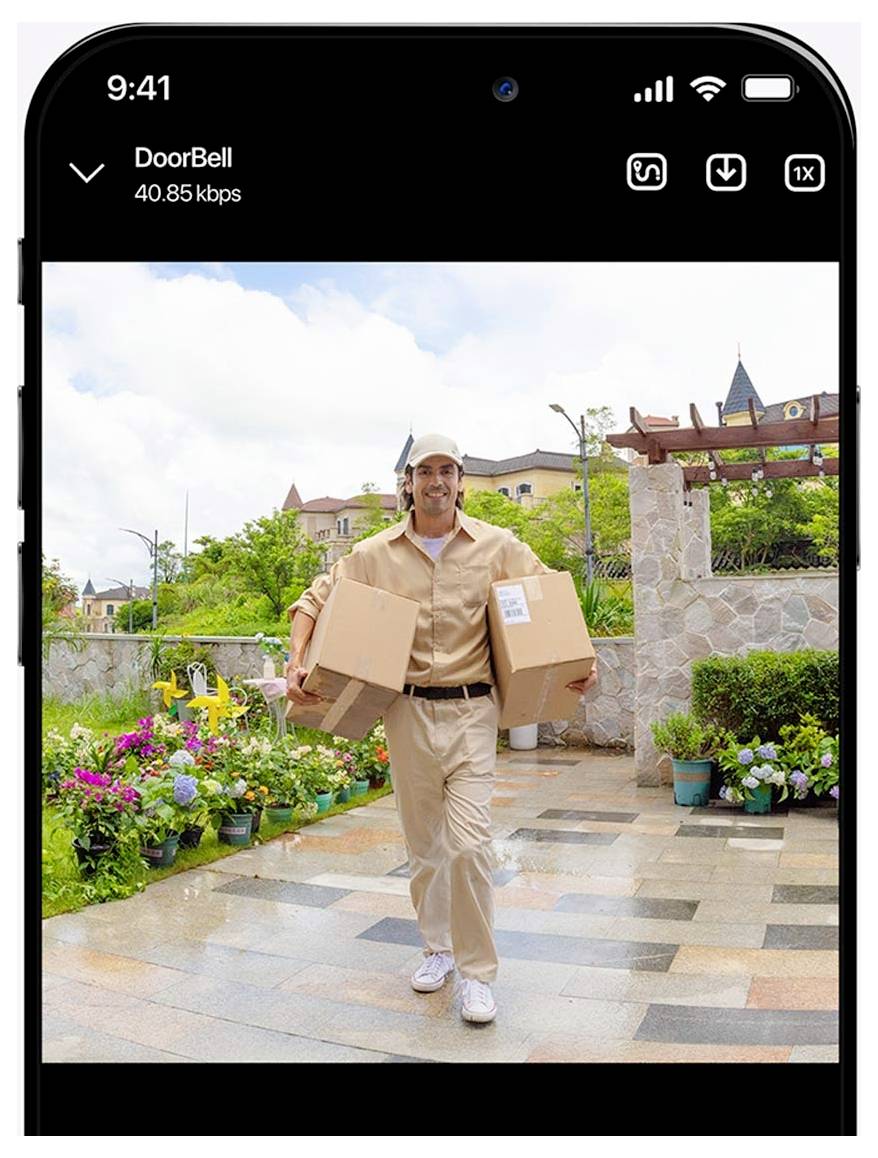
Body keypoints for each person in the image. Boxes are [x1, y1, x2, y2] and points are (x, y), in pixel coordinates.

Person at [286, 433, 598, 1023]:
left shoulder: (496, 546)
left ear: (459, 480)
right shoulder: (374, 555)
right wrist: (297, 657)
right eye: (423, 470)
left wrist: (580, 659)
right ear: (408, 482)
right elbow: (313, 601)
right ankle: (438, 948)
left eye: (446, 470)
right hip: (404, 712)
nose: (435, 481)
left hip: (472, 712)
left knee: (471, 844)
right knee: (424, 846)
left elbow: (549, 597)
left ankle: (478, 975)